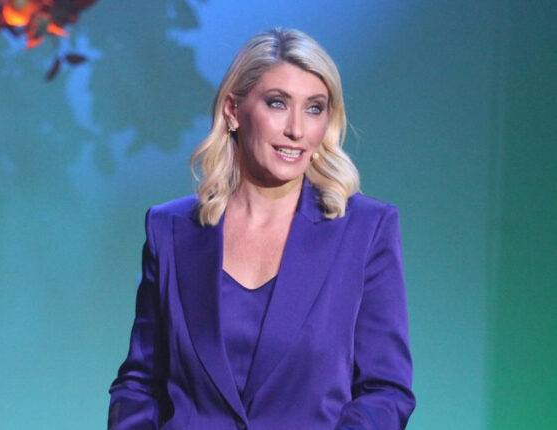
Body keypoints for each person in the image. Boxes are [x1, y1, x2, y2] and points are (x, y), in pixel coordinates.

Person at [108, 28, 415, 429]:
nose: (296, 129)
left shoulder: (364, 230)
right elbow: (141, 384)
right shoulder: (171, 230)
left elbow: (385, 391)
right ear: (233, 111)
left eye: (314, 108)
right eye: (277, 103)